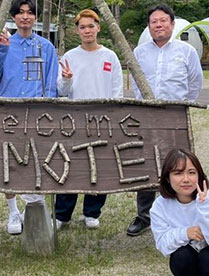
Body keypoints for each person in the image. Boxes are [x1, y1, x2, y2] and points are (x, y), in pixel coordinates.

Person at [0, 0, 58, 235]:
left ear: (35, 17)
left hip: (37, 112)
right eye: (20, 13)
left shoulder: (46, 47)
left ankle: (36, 201)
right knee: (8, 161)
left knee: (37, 158)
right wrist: (2, 50)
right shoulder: (4, 42)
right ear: (13, 17)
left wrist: (49, 110)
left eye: (30, 13)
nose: (25, 17)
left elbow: (52, 82)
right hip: (8, 112)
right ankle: (13, 210)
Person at [127, 3, 203, 237]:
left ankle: (181, 216)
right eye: (153, 22)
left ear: (172, 24)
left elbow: (195, 83)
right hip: (146, 117)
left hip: (175, 116)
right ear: (149, 27)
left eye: (163, 21)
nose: (158, 25)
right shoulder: (139, 53)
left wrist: (179, 107)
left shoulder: (186, 51)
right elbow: (135, 83)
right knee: (146, 163)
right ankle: (144, 216)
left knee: (178, 166)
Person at [54, 9, 122, 229]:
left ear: (98, 27)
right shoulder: (69, 57)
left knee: (98, 166)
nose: (87, 30)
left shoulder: (109, 56)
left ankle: (92, 212)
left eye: (91, 26)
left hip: (103, 120)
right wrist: (67, 79)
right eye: (82, 27)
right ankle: (62, 215)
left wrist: (114, 115)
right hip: (74, 120)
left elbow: (116, 90)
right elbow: (62, 91)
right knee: (71, 166)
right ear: (77, 30)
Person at [150, 148, 209, 276]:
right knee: (181, 256)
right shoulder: (160, 205)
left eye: (191, 172)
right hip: (192, 262)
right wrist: (185, 233)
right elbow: (163, 245)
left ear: (199, 176)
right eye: (178, 173)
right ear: (167, 178)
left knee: (208, 257)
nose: (186, 179)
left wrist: (206, 208)